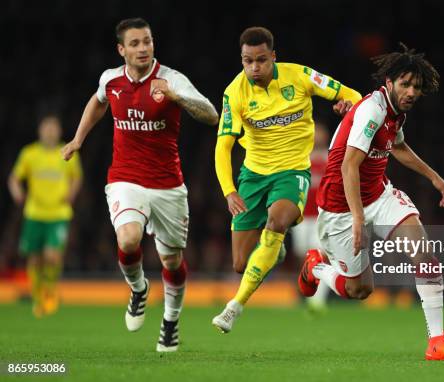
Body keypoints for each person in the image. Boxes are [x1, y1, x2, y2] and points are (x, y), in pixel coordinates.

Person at [299, 44, 444, 360]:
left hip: (379, 195)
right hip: (340, 207)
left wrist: (434, 177)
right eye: (405, 84)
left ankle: (436, 342)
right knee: (359, 291)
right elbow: (349, 165)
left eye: (416, 87)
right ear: (388, 82)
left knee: (423, 252)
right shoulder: (372, 110)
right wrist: (358, 219)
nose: (411, 91)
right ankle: (316, 266)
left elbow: (399, 147)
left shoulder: (396, 113)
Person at [61, 17, 218, 352]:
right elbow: (98, 101)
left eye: (147, 41)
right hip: (125, 178)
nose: (143, 48)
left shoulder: (170, 78)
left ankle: (171, 321)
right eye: (135, 43)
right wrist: (77, 139)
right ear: (122, 50)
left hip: (167, 185)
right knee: (129, 238)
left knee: (172, 261)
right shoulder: (111, 79)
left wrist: (176, 96)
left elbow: (211, 114)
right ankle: (138, 288)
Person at [212, 26, 361, 333]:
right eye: (247, 61)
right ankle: (274, 251)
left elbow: (353, 95)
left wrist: (347, 106)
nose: (254, 67)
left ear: (273, 57)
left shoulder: (300, 76)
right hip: (252, 176)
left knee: (276, 222)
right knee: (241, 263)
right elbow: (223, 147)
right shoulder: (234, 92)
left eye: (261, 60)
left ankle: (234, 306)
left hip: (292, 172)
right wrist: (229, 190)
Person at [8, 114, 82, 317]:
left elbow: (77, 177)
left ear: (58, 131)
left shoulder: (66, 151)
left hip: (58, 213)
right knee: (34, 259)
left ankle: (49, 290)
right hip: (34, 212)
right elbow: (14, 178)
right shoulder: (29, 153)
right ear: (40, 130)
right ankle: (37, 294)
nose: (50, 131)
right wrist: (17, 193)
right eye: (46, 128)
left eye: (53, 128)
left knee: (52, 255)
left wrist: (71, 194)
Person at [290, 123, 331, 312]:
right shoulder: (300, 159)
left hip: (321, 217)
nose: (317, 137)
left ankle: (317, 301)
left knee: (319, 255)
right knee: (302, 254)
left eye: (320, 134)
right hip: (301, 217)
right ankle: (306, 289)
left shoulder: (330, 160)